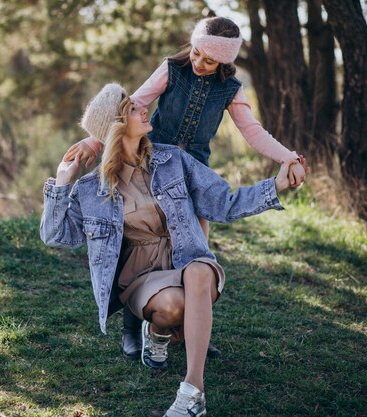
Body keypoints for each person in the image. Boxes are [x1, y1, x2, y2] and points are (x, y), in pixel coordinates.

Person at [40, 83, 299, 417]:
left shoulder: (174, 160)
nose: (145, 108)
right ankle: (158, 333)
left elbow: (224, 202)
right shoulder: (92, 189)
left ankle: (192, 393)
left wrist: (276, 185)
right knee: (174, 308)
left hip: (184, 260)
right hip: (142, 275)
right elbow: (55, 235)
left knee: (201, 268)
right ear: (117, 127)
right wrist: (62, 183)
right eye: (134, 108)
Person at [63, 16, 307, 362]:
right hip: (152, 164)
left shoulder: (230, 89)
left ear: (225, 61)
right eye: (196, 53)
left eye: (209, 60)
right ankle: (133, 329)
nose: (199, 62)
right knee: (138, 244)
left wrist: (289, 157)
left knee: (196, 253)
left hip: (191, 174)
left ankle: (196, 333)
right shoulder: (171, 69)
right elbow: (134, 103)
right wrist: (93, 140)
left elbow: (252, 131)